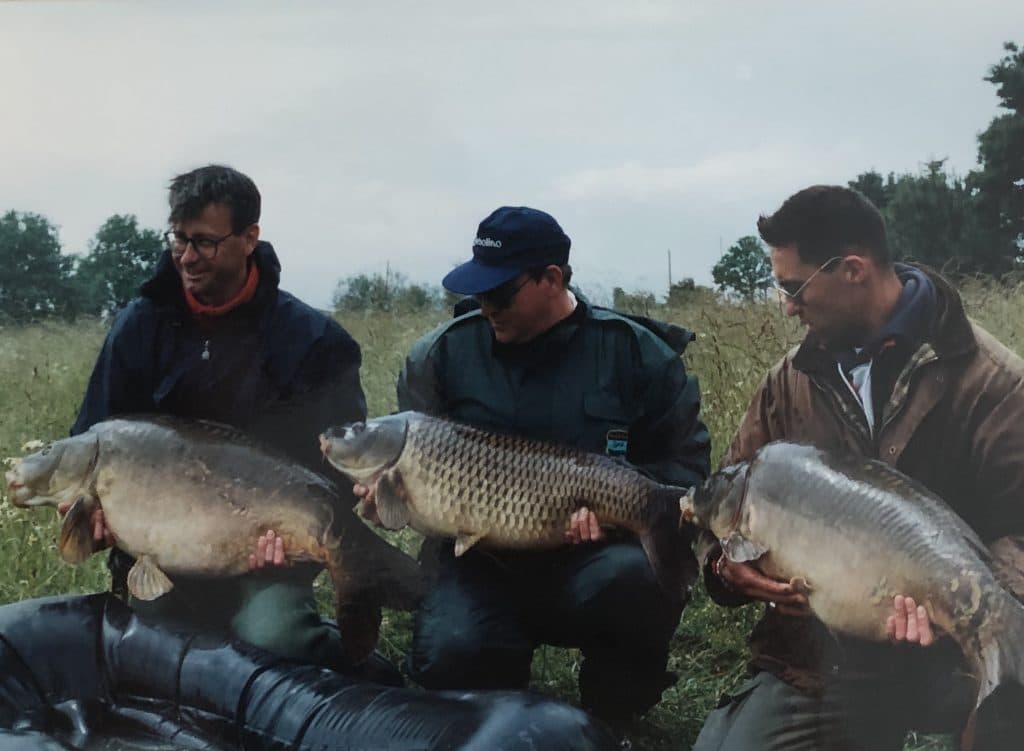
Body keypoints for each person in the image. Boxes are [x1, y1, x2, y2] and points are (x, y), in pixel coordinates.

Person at [693, 185, 1024, 751]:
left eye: (794, 288)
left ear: (852, 270)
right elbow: (721, 505)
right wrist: (727, 569)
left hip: (951, 656)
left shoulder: (994, 382)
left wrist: (959, 601)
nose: (789, 307)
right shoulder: (787, 381)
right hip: (819, 663)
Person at [355, 205, 711, 726]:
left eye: (500, 293)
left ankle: (612, 717)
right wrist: (385, 498)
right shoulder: (441, 356)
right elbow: (405, 479)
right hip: (478, 560)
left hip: (595, 558)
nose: (485, 306)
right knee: (453, 654)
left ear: (552, 279)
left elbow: (685, 470)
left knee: (637, 581)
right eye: (476, 292)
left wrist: (616, 514)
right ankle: (499, 709)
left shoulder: (638, 354)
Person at [70, 164, 383, 677]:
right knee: (150, 654)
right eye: (179, 239)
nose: (187, 258)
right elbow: (92, 439)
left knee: (272, 638)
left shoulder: (312, 340)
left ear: (249, 238)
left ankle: (346, 662)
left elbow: (335, 472)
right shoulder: (140, 325)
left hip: (267, 552)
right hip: (158, 551)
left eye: (206, 243)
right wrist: (92, 512)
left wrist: (289, 543)